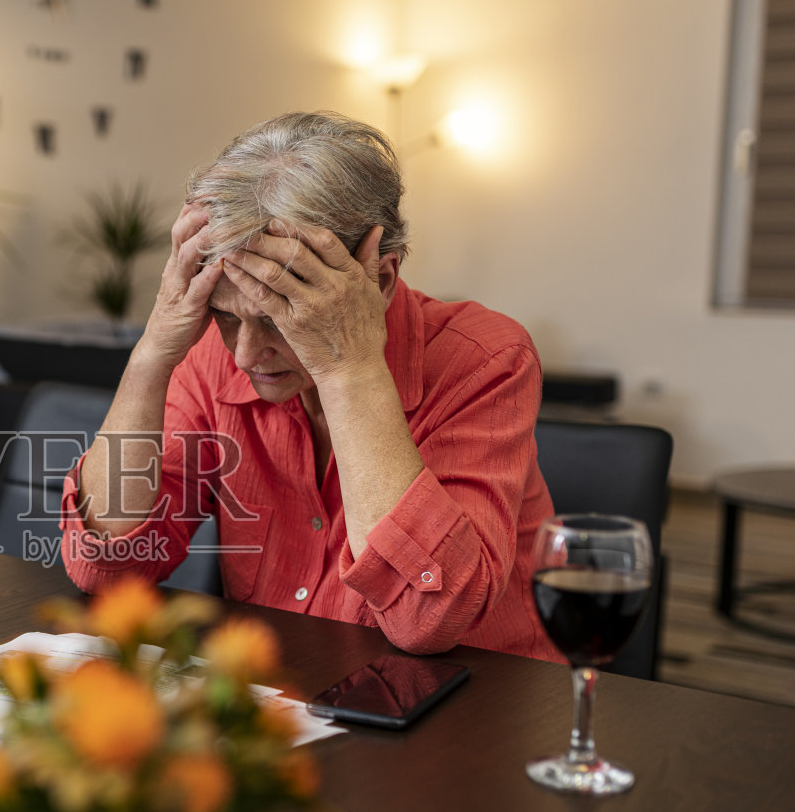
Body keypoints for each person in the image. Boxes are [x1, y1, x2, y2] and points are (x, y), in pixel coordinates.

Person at [59, 110, 561, 661]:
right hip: (286, 704)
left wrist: (349, 369)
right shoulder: (208, 357)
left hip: (480, 710)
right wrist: (153, 353)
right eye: (228, 316)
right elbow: (104, 568)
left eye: (280, 319)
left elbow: (427, 619)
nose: (246, 354)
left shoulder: (485, 359)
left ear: (381, 281)